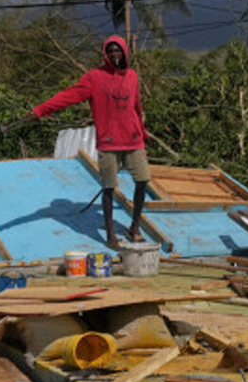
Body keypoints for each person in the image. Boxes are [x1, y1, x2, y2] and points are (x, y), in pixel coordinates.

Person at [11, 35, 150, 247]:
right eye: (110, 51)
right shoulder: (94, 77)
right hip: (109, 142)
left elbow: (136, 107)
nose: (114, 54)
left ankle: (134, 227)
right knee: (109, 188)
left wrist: (142, 132)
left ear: (124, 52)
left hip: (133, 140)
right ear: (105, 54)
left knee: (142, 180)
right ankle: (110, 235)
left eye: (118, 50)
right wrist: (40, 110)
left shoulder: (132, 76)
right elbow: (68, 95)